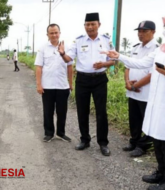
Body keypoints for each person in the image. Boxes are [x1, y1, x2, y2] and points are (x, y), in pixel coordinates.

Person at [104, 11, 165, 190]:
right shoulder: (164, 47)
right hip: (157, 101)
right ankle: (162, 173)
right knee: (157, 138)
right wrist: (118, 56)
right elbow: (141, 64)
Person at [58, 13, 115, 156]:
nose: (90, 27)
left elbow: (113, 60)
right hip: (82, 80)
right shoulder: (78, 41)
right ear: (84, 26)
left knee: (101, 112)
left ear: (99, 25)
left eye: (93, 24)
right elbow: (68, 59)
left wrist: (103, 64)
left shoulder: (106, 40)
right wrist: (62, 53)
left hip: (100, 80)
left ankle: (103, 143)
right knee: (82, 111)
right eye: (87, 25)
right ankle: (85, 139)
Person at [122, 21, 159, 157]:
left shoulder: (156, 49)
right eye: (139, 31)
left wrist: (135, 86)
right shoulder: (136, 48)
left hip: (146, 93)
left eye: (145, 31)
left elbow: (152, 73)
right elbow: (127, 66)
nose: (141, 34)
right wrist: (127, 82)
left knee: (146, 120)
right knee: (134, 119)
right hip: (132, 92)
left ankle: (143, 146)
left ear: (153, 32)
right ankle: (134, 141)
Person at [34, 23, 73, 143]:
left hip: (62, 86)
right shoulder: (43, 48)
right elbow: (39, 67)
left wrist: (71, 84)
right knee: (48, 111)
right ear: (47, 35)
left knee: (62, 111)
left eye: (56, 32)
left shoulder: (68, 48)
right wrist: (39, 85)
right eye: (51, 33)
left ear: (59, 33)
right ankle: (49, 133)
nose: (54, 35)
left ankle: (61, 133)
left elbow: (70, 67)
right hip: (48, 86)